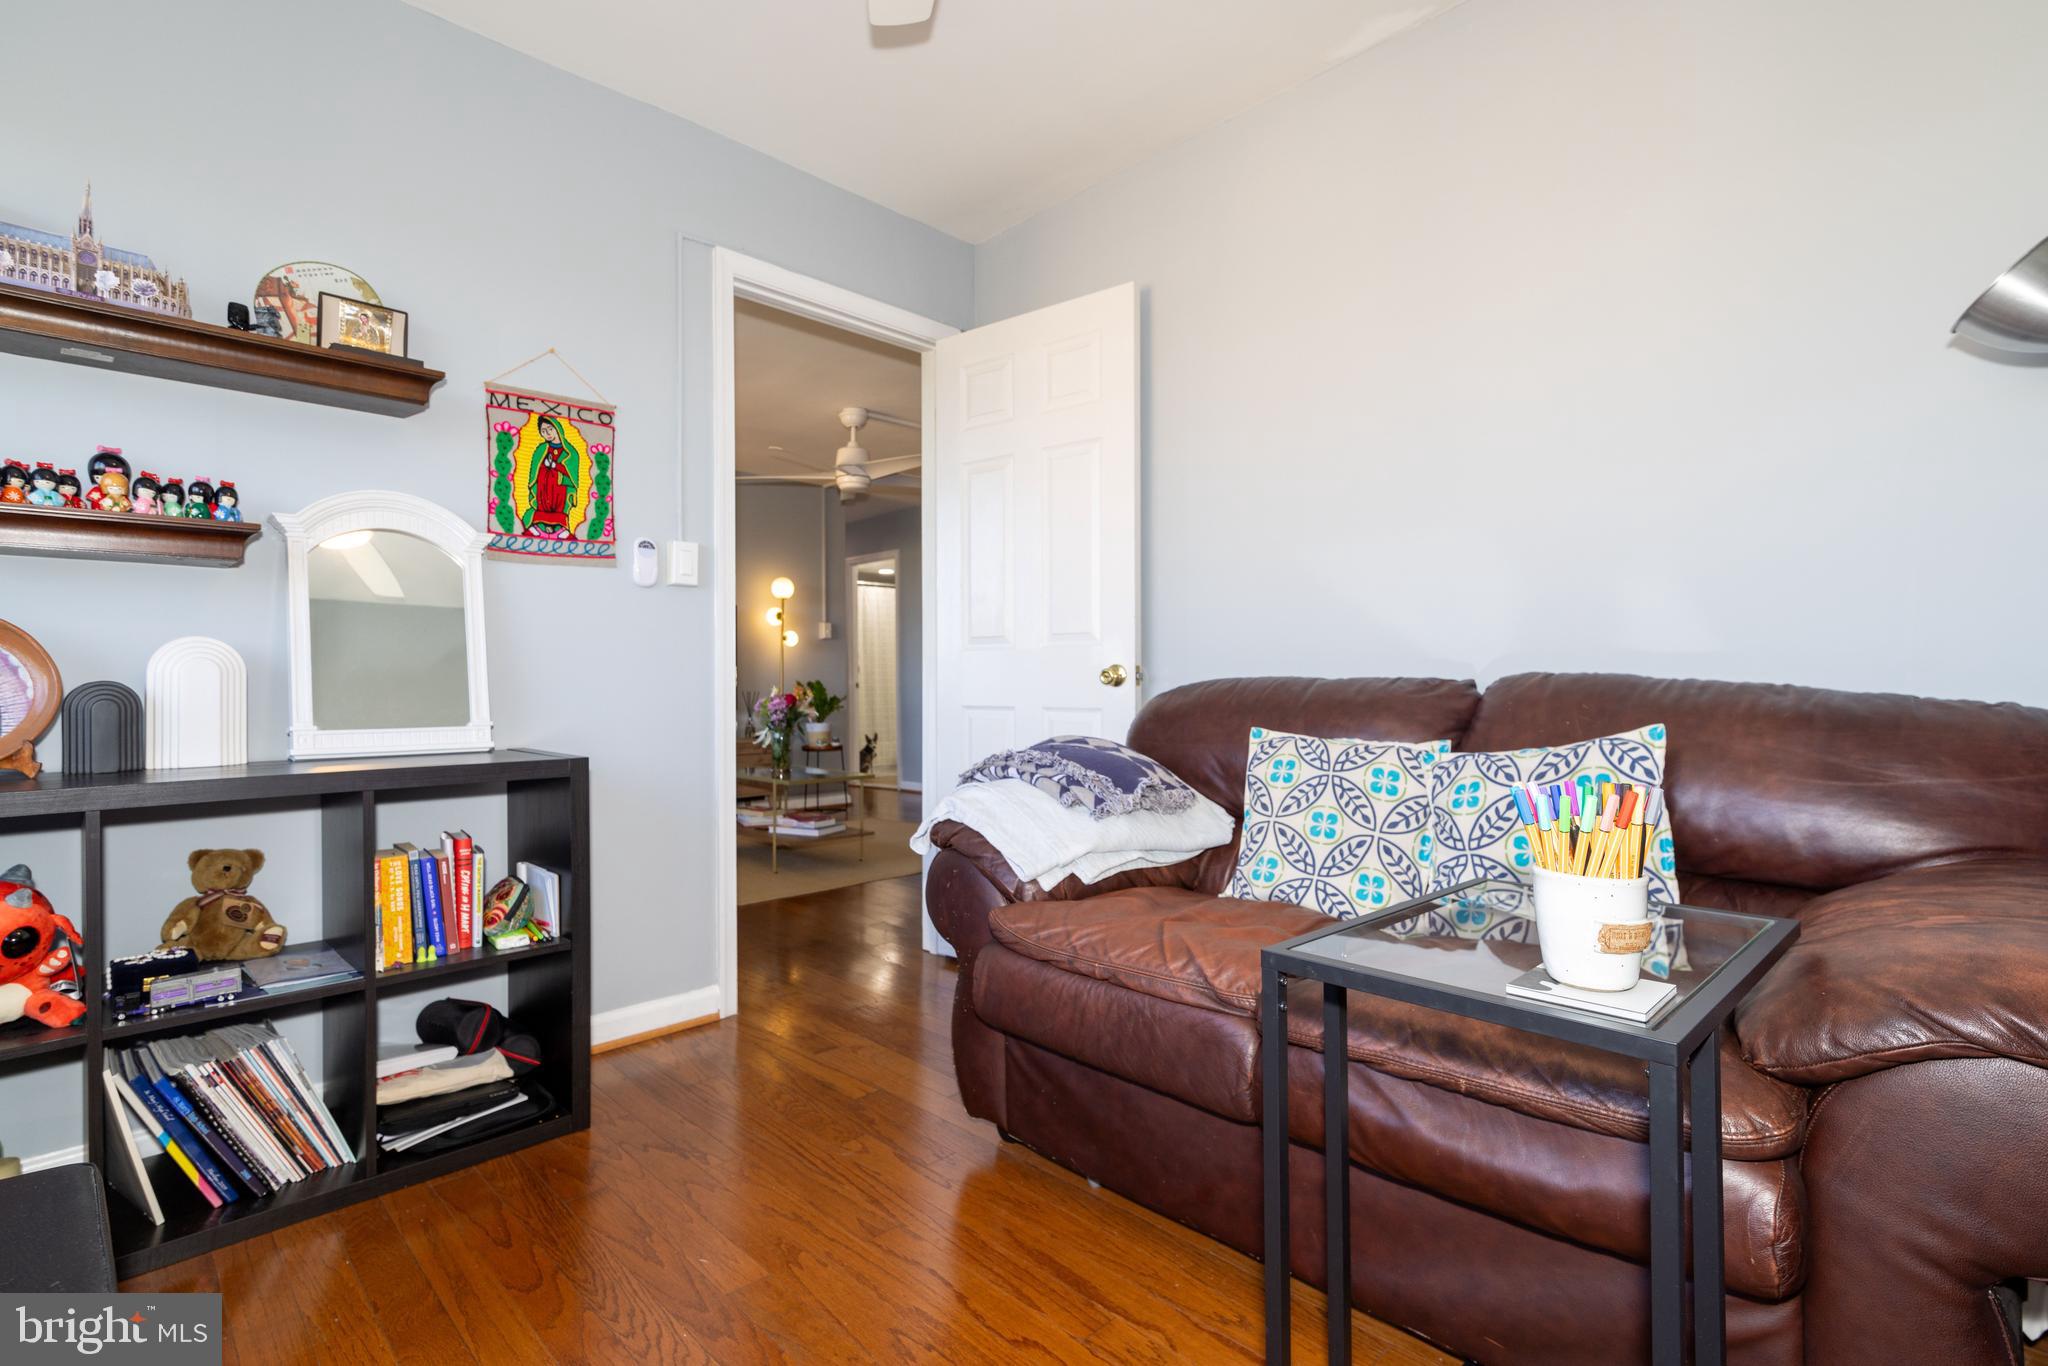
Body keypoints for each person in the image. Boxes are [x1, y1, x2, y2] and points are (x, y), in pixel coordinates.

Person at [525, 417, 577, 539]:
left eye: (550, 429)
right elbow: (535, 469)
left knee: (559, 499)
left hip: (561, 487)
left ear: (557, 429)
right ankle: (539, 526)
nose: (547, 433)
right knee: (542, 500)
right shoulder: (541, 449)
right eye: (543, 431)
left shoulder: (570, 452)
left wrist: (555, 467)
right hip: (543, 486)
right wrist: (545, 467)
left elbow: (572, 476)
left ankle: (561, 528)